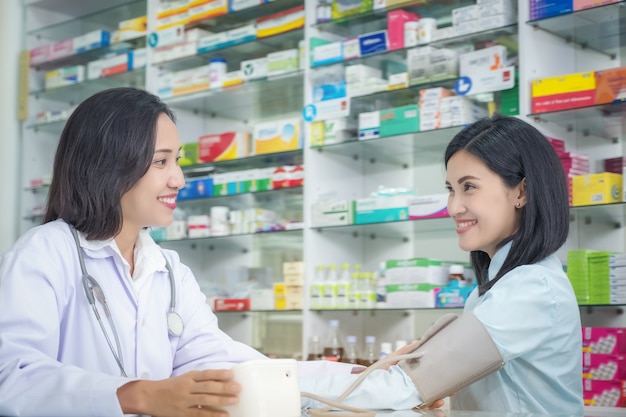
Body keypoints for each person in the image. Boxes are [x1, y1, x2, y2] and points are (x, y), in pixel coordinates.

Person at [0, 87, 436, 417]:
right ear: (108, 164)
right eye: (161, 162)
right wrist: (139, 394)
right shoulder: (46, 252)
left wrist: (367, 379)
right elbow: (13, 379)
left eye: (179, 160)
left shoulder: (167, 270)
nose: (180, 179)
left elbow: (237, 369)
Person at [443, 114, 583, 414]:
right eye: (451, 189)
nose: (454, 207)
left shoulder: (531, 287)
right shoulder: (493, 289)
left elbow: (422, 378)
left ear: (521, 192)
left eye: (469, 187)